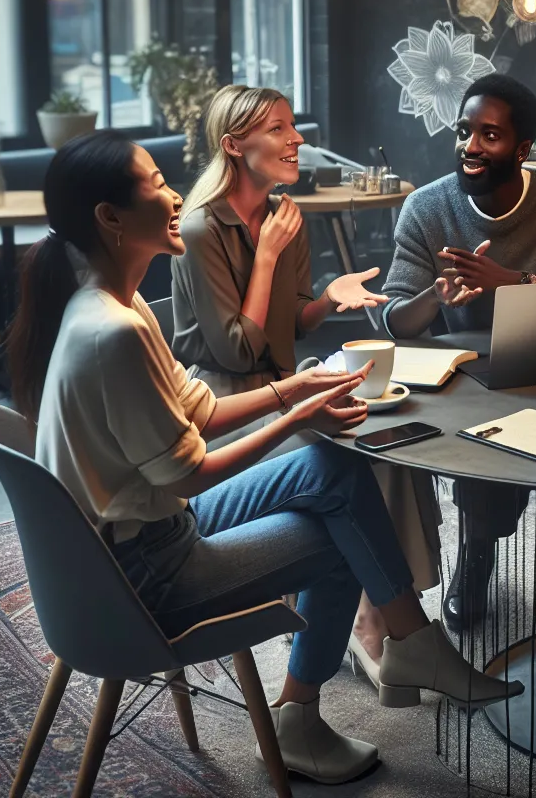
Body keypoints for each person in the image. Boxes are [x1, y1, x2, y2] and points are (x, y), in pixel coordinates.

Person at [8, 131, 519, 785]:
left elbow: (197, 412)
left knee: (335, 468)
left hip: (137, 535)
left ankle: (411, 644)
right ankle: (306, 715)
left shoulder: (115, 304)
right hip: (143, 572)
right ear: (110, 218)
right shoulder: (115, 333)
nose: (172, 193)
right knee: (340, 536)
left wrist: (292, 388)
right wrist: (296, 415)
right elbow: (190, 470)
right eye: (154, 184)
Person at [170, 86, 445, 689]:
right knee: (349, 457)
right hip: (224, 404)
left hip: (281, 387)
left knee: (386, 438)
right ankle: (380, 623)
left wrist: (326, 299)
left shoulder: (282, 214)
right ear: (234, 145)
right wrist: (266, 256)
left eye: (293, 126)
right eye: (279, 128)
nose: (297, 139)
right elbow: (235, 349)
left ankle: (378, 610)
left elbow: (289, 320)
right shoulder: (199, 228)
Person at [379, 73, 536, 633]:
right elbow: (392, 320)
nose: (470, 146)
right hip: (470, 378)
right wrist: (432, 299)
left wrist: (513, 282)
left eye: (489, 135)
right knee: (481, 484)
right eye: (465, 131)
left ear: (522, 148)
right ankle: (475, 560)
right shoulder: (426, 206)